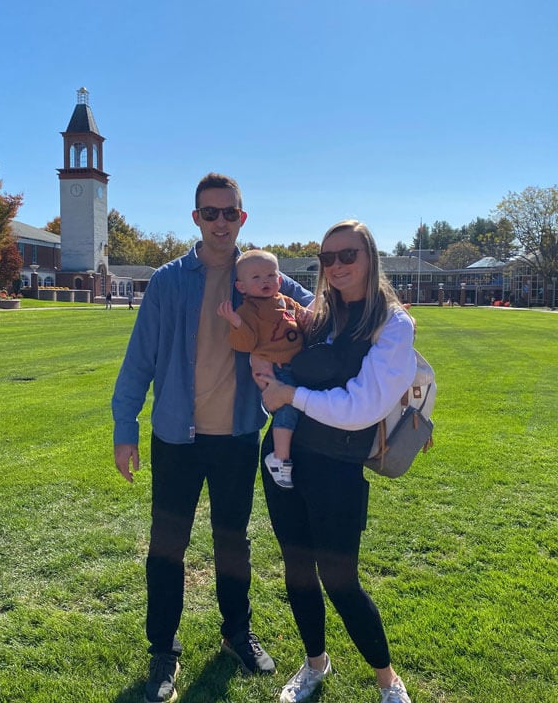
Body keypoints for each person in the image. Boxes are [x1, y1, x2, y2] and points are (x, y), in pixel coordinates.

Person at [111, 173, 313, 703]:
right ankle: (162, 648)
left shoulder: (262, 275)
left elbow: (326, 311)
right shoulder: (168, 280)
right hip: (176, 436)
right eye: (210, 213)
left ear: (242, 218)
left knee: (233, 542)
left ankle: (235, 634)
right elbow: (140, 360)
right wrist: (124, 427)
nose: (220, 222)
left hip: (238, 435)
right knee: (167, 545)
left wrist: (388, 316)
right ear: (195, 218)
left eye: (229, 213)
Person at [258, 220, 417, 703]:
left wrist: (292, 395)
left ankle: (387, 679)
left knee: (341, 579)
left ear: (370, 257)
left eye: (348, 254)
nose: (337, 265)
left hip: (338, 467)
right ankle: (314, 664)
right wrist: (272, 384)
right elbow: (275, 376)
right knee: (298, 569)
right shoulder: (317, 315)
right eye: (327, 258)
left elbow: (360, 408)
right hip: (284, 460)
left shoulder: (392, 324)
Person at [217, 249, 312, 489]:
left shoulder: (287, 301)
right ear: (241, 287)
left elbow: (303, 319)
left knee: (303, 406)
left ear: (280, 280)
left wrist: (309, 317)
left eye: (271, 275)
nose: (265, 281)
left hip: (296, 367)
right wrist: (236, 322)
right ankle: (279, 458)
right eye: (256, 278)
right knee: (288, 409)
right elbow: (246, 344)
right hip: (276, 369)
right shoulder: (249, 310)